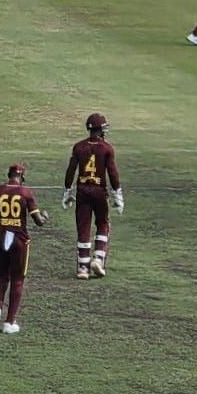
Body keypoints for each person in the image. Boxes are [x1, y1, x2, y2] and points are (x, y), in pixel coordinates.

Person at [0, 164, 47, 334]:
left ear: (8, 174)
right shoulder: (26, 192)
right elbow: (39, 221)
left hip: (2, 238)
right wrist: (45, 217)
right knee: (18, 279)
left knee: (3, 276)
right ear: (22, 177)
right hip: (19, 241)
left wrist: (2, 218)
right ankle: (10, 322)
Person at [63, 113, 123, 280]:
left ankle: (83, 267)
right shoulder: (106, 148)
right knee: (103, 223)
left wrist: (67, 190)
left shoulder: (79, 147)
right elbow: (112, 172)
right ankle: (98, 258)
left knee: (83, 227)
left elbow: (71, 170)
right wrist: (117, 193)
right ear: (100, 129)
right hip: (99, 191)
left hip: (82, 190)